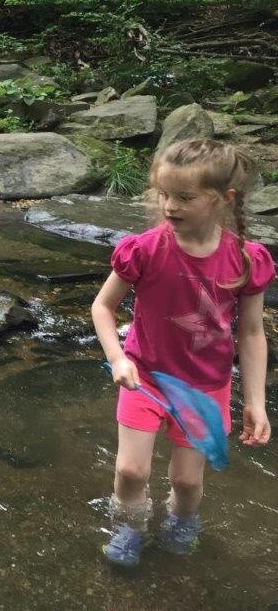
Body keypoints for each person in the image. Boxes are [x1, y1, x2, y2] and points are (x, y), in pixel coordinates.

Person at [92, 138, 273, 568]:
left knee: (186, 481)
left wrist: (255, 401)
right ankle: (130, 526)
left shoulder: (246, 259)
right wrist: (118, 357)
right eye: (164, 194)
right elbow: (103, 307)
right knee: (131, 471)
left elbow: (250, 333)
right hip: (145, 375)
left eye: (184, 197)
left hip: (206, 386)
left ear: (223, 199)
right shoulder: (145, 249)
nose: (169, 206)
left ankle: (183, 520)